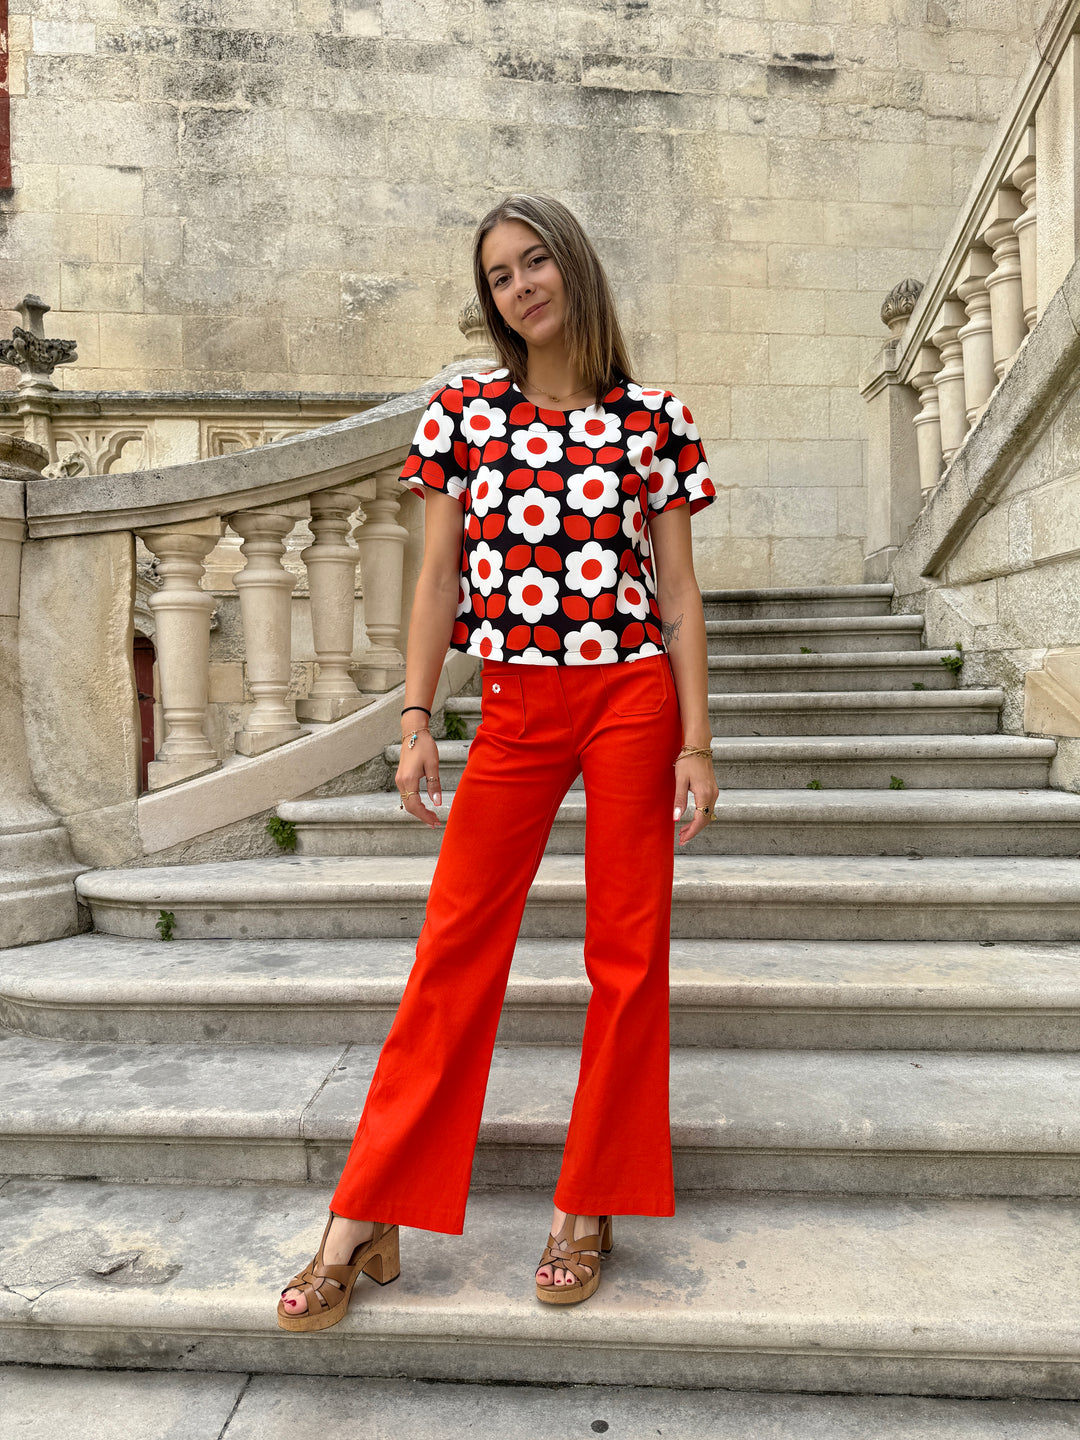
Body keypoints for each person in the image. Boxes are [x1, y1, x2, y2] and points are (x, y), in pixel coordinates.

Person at [277, 192, 719, 1331]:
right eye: (500, 276)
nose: (520, 287)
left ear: (573, 265)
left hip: (631, 697)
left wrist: (698, 740)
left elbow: (677, 591)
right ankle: (365, 1212)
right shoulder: (465, 414)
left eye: (534, 263)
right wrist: (415, 716)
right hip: (517, 703)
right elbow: (436, 578)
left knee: (628, 956)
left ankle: (589, 1204)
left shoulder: (654, 419)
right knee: (453, 952)